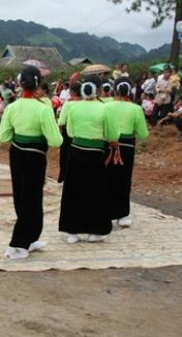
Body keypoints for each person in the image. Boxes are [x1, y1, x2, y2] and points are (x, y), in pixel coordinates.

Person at [0, 66, 63, 259]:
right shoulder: (43, 109)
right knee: (33, 198)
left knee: (21, 196)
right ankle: (18, 244)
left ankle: (32, 237)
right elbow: (56, 141)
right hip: (34, 156)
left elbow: (3, 136)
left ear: (19, 84)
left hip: (16, 154)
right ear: (37, 86)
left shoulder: (12, 108)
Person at [59, 75, 119, 245]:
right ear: (99, 90)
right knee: (96, 191)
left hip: (76, 150)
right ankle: (95, 230)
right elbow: (113, 135)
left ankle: (72, 231)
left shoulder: (73, 108)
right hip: (96, 152)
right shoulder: (105, 109)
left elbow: (70, 132)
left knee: (73, 191)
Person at [104, 77, 149, 229]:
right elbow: (143, 134)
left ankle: (105, 212)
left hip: (108, 145)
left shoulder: (106, 106)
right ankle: (122, 215)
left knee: (107, 178)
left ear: (115, 90)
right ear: (129, 91)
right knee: (124, 179)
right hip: (127, 146)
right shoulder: (136, 109)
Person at [57, 82, 82, 183]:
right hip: (79, 132)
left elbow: (61, 121)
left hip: (67, 133)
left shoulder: (68, 104)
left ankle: (63, 176)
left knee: (65, 155)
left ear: (72, 92)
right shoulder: (83, 103)